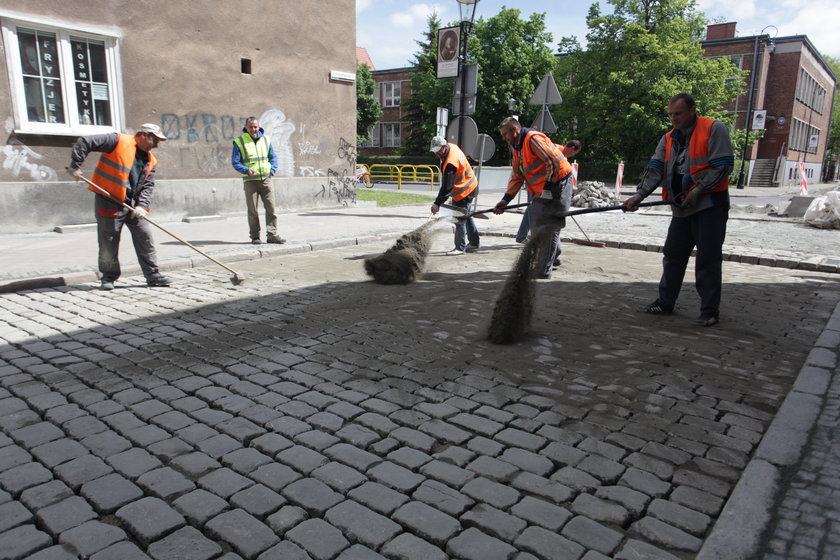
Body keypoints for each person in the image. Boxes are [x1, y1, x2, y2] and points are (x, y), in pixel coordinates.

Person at [623, 93, 734, 327]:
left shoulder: (714, 128)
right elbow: (655, 168)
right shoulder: (669, 138)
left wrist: (697, 191)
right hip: (681, 207)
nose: (674, 118)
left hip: (709, 206)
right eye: (671, 114)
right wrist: (639, 195)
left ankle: (709, 310)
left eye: (678, 114)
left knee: (708, 259)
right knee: (673, 255)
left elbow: (723, 167)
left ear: (692, 110)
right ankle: (665, 302)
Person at [67, 124, 172, 291]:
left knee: (145, 237)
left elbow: (148, 186)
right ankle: (108, 277)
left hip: (133, 206)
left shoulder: (151, 160)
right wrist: (75, 165)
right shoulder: (117, 140)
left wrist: (142, 206)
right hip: (109, 200)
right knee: (109, 241)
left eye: (159, 141)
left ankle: (153, 275)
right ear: (143, 134)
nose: (156, 144)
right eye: (155, 139)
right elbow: (85, 142)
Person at [493, 118, 575, 279]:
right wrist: (506, 200)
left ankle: (544, 270)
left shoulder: (533, 139)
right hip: (543, 187)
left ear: (514, 130)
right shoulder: (517, 148)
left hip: (559, 183)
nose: (504, 138)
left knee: (551, 225)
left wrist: (548, 189)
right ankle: (553, 257)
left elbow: (553, 162)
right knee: (538, 225)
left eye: (505, 134)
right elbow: (517, 177)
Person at [516, 139, 583, 255]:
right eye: (574, 153)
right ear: (572, 148)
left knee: (532, 210)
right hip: (538, 186)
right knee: (536, 213)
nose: (573, 155)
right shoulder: (556, 152)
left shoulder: (560, 154)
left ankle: (522, 236)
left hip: (539, 186)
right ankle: (535, 243)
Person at [232, 116, 284, 245]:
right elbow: (235, 162)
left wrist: (273, 170)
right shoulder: (239, 142)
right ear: (246, 127)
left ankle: (272, 235)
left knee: (271, 208)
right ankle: (255, 236)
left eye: (255, 127)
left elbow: (273, 157)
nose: (253, 129)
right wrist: (245, 170)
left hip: (266, 179)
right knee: (253, 210)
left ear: (259, 127)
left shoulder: (266, 140)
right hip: (250, 181)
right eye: (250, 127)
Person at [429, 136, 480, 255]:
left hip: (465, 190)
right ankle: (474, 242)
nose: (437, 153)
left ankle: (460, 248)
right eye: (435, 151)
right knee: (467, 216)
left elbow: (447, 186)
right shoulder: (452, 147)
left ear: (444, 146)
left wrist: (437, 204)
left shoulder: (451, 162)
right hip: (471, 186)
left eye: (438, 150)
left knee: (459, 218)